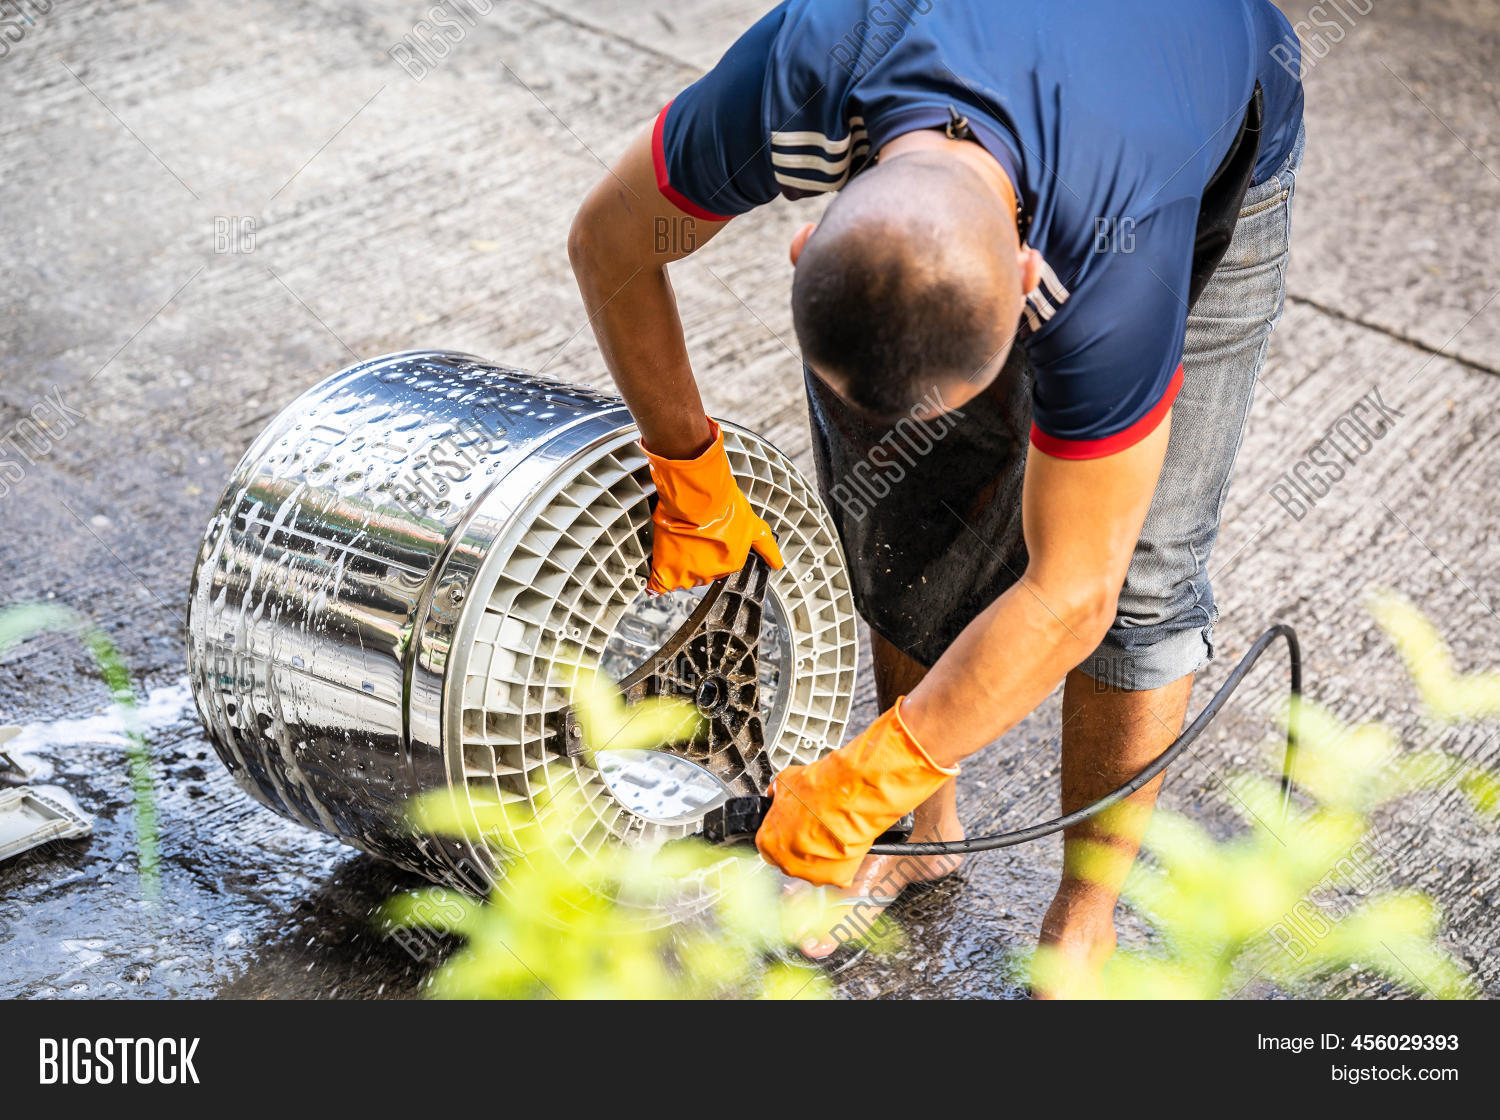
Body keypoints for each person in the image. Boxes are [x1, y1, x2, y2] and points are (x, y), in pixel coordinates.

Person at [568, 0, 1305, 993]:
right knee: (910, 499)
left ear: (1034, 282)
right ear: (810, 236)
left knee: (1143, 579)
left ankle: (1083, 917)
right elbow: (610, 243)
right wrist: (686, 468)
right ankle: (927, 829)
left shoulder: (1113, 276)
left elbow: (1073, 593)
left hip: (1210, 117)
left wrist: (858, 777)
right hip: (1042, 91)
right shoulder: (807, 67)